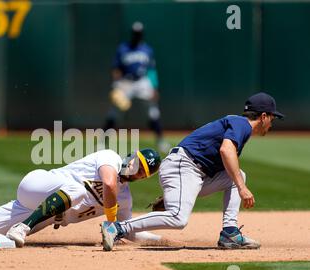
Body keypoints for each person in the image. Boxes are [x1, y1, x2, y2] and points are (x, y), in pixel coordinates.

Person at [101, 92, 284, 251]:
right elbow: (226, 150)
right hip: (183, 165)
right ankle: (116, 228)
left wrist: (178, 193)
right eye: (272, 118)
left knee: (237, 177)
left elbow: (219, 160)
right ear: (263, 116)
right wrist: (242, 188)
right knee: (178, 218)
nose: (271, 123)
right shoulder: (241, 124)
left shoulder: (239, 127)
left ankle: (230, 233)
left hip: (192, 172)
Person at [0, 148, 162, 247]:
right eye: (137, 163)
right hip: (37, 186)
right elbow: (108, 183)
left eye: (143, 172)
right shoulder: (110, 158)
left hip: (45, 214)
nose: (136, 171)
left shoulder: (125, 199)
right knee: (78, 190)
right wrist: (110, 220)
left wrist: (160, 238)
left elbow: (128, 231)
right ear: (130, 157)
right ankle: (22, 228)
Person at [104, 21, 170, 154]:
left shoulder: (147, 50)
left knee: (153, 111)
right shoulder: (123, 48)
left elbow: (151, 70)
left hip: (142, 82)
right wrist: (115, 86)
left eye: (139, 34)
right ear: (132, 34)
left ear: (142, 35)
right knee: (114, 113)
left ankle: (160, 140)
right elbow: (116, 69)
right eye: (135, 33)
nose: (137, 36)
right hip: (125, 82)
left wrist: (154, 88)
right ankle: (102, 141)